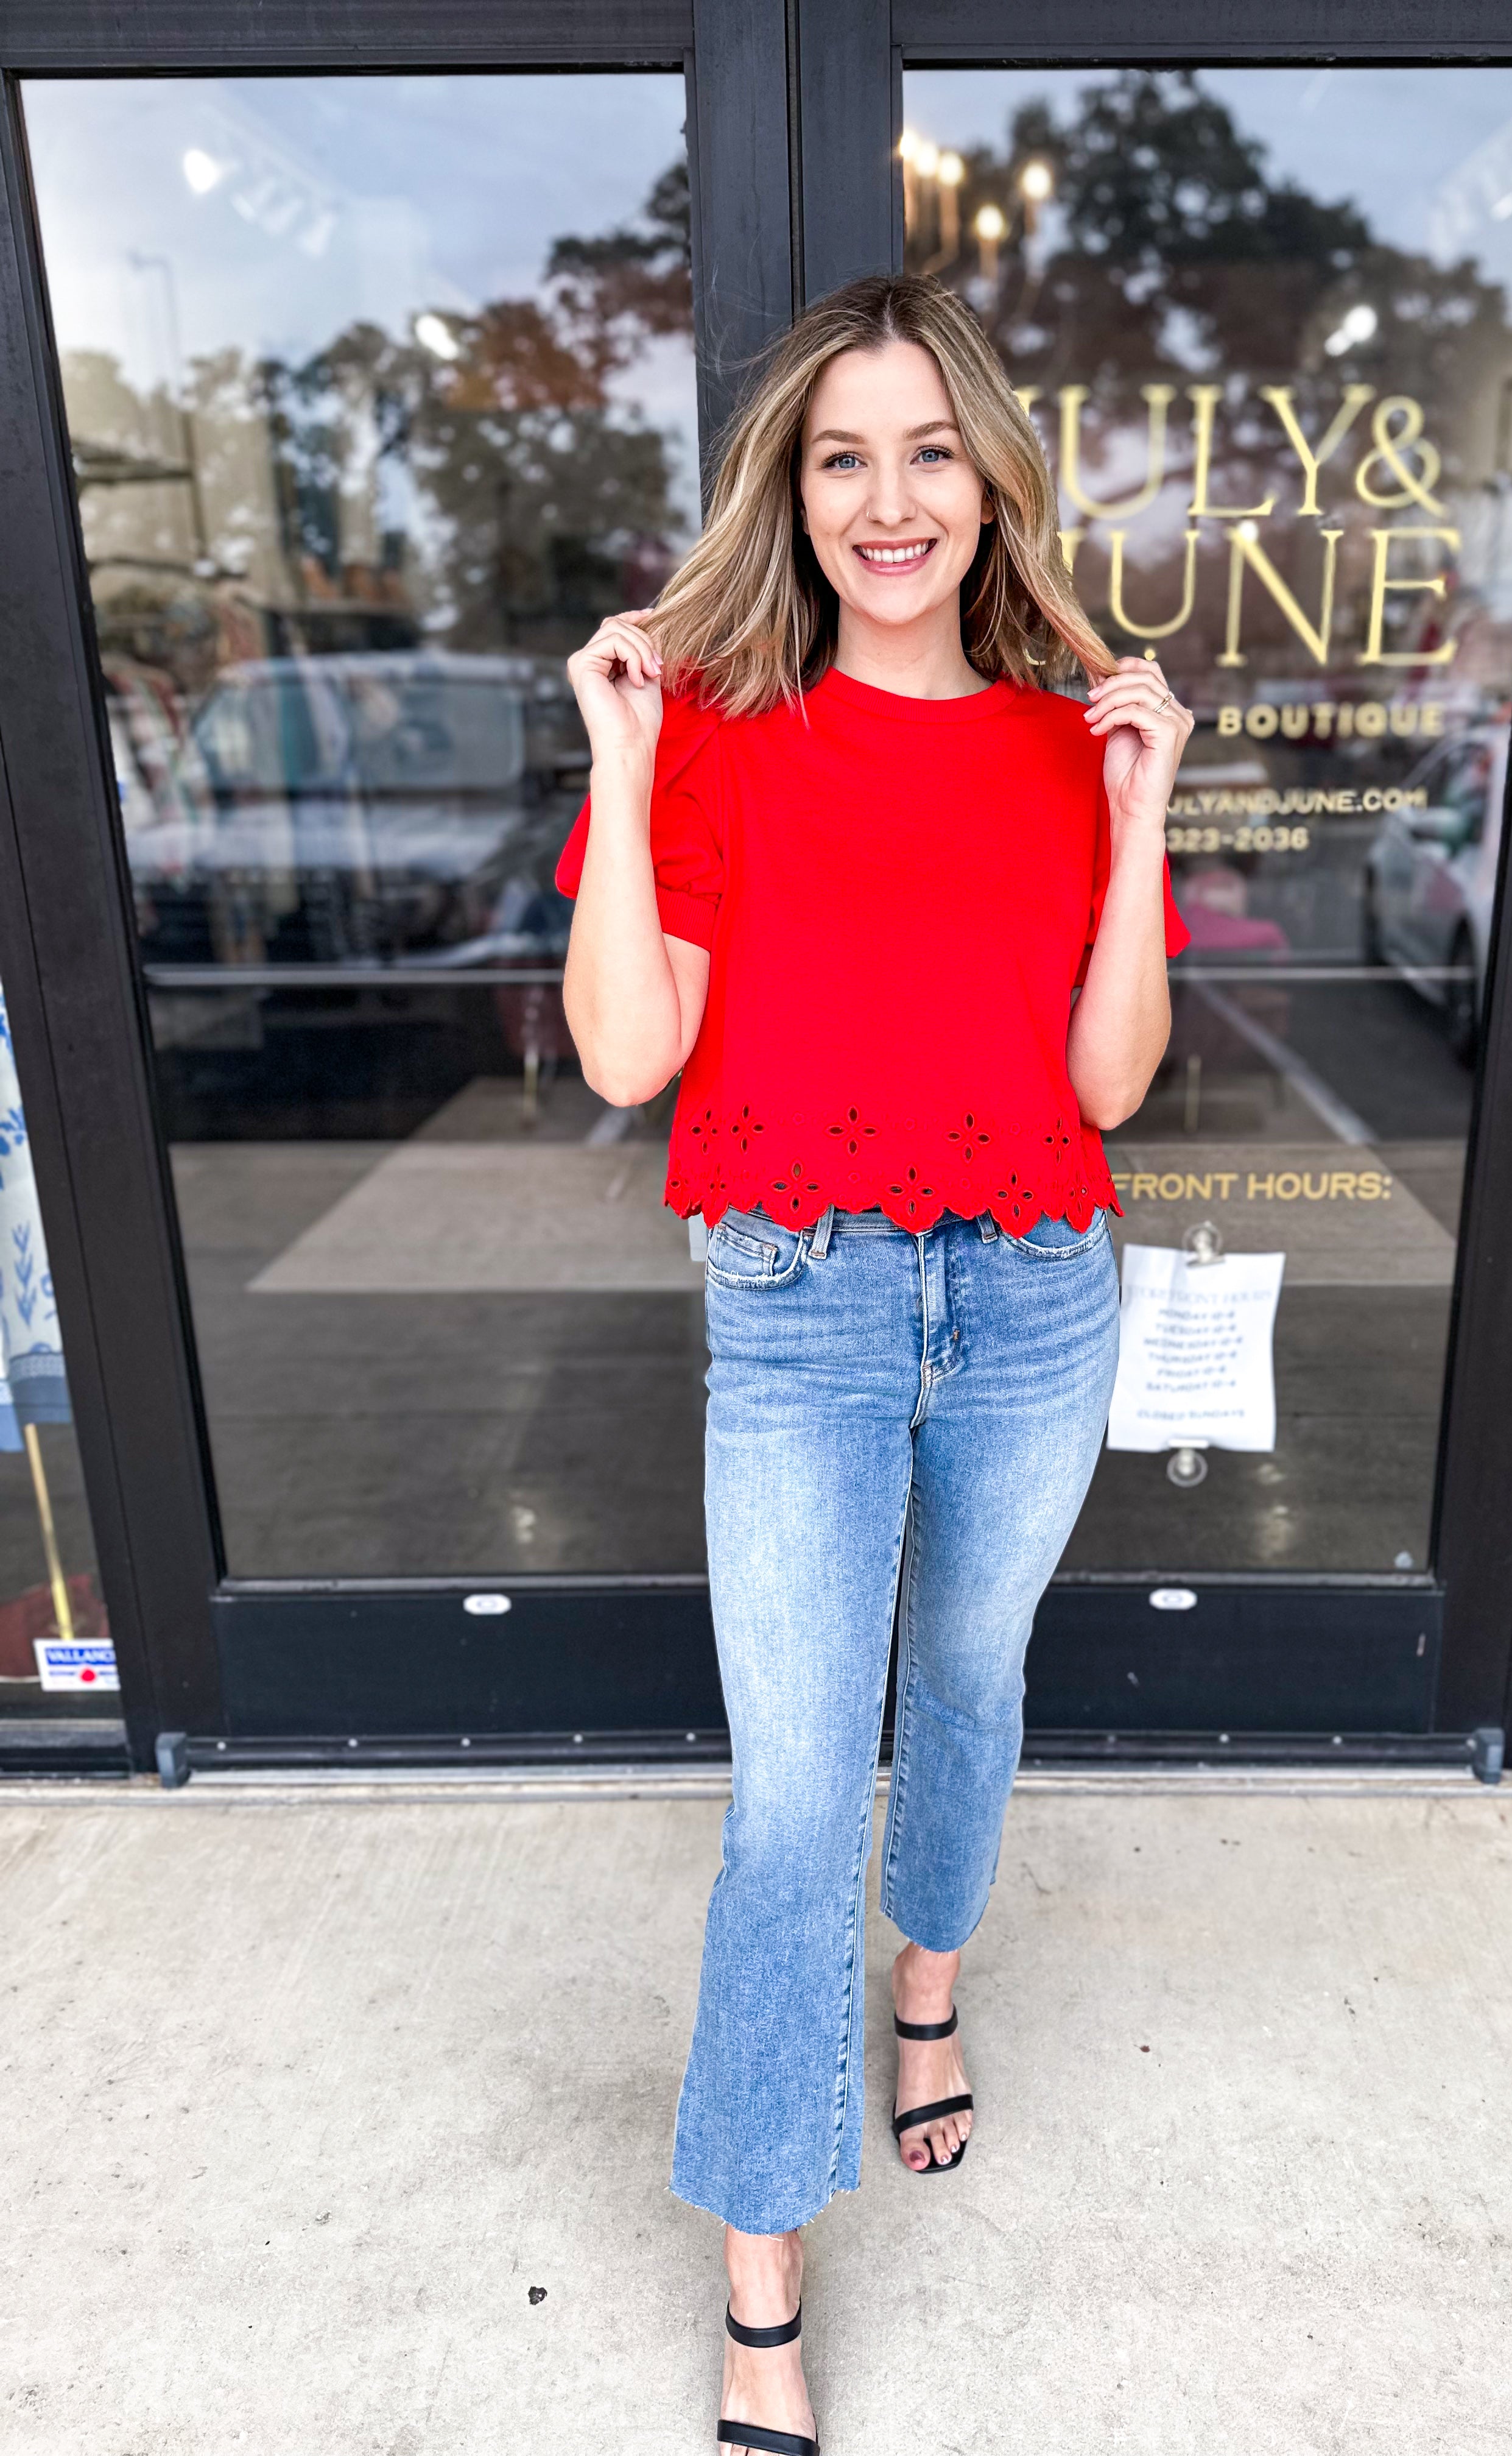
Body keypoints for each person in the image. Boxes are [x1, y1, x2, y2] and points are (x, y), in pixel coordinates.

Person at [560, 273, 1192, 2454]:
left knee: (977, 1686)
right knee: (793, 1790)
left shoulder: (1067, 736)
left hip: (1034, 1283)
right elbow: (635, 1052)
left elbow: (1108, 1088)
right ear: (794, 493)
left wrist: (1146, 815)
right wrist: (627, 768)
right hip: (803, 1300)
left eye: (932, 452)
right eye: (843, 456)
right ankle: (759, 2275)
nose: (889, 498)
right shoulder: (724, 734)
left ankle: (925, 1995)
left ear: (993, 482)